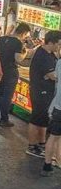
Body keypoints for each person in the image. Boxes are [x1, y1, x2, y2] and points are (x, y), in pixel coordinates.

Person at [25, 31, 61, 159]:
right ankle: (31, 146)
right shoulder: (42, 55)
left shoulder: (50, 54)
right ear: (50, 42)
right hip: (40, 91)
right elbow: (54, 76)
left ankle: (41, 144)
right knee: (36, 119)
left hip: (47, 91)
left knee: (43, 120)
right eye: (58, 44)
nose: (59, 46)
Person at [0, 22, 33, 127]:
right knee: (7, 97)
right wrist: (25, 52)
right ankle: (4, 119)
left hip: (0, 71)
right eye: (26, 35)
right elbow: (18, 59)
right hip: (10, 73)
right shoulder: (18, 43)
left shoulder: (1, 39)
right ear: (23, 33)